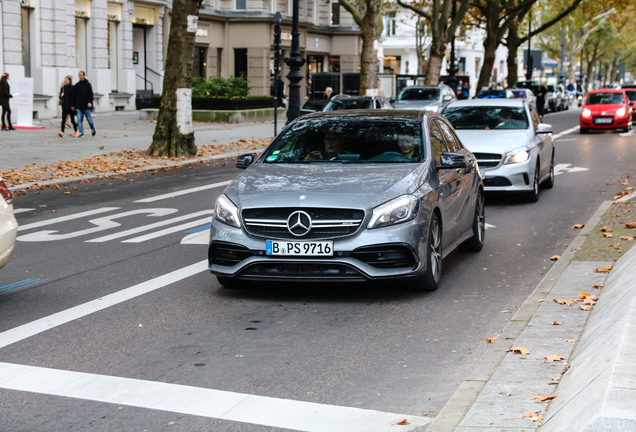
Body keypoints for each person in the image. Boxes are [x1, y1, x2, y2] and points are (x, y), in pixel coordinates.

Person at [72, 71, 96, 137]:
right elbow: (74, 96)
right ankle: (81, 132)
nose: (80, 76)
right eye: (79, 75)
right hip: (79, 105)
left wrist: (89, 102)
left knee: (89, 119)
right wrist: (73, 105)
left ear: (84, 76)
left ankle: (92, 128)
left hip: (86, 105)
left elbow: (90, 94)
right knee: (79, 119)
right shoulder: (77, 85)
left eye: (81, 75)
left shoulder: (88, 84)